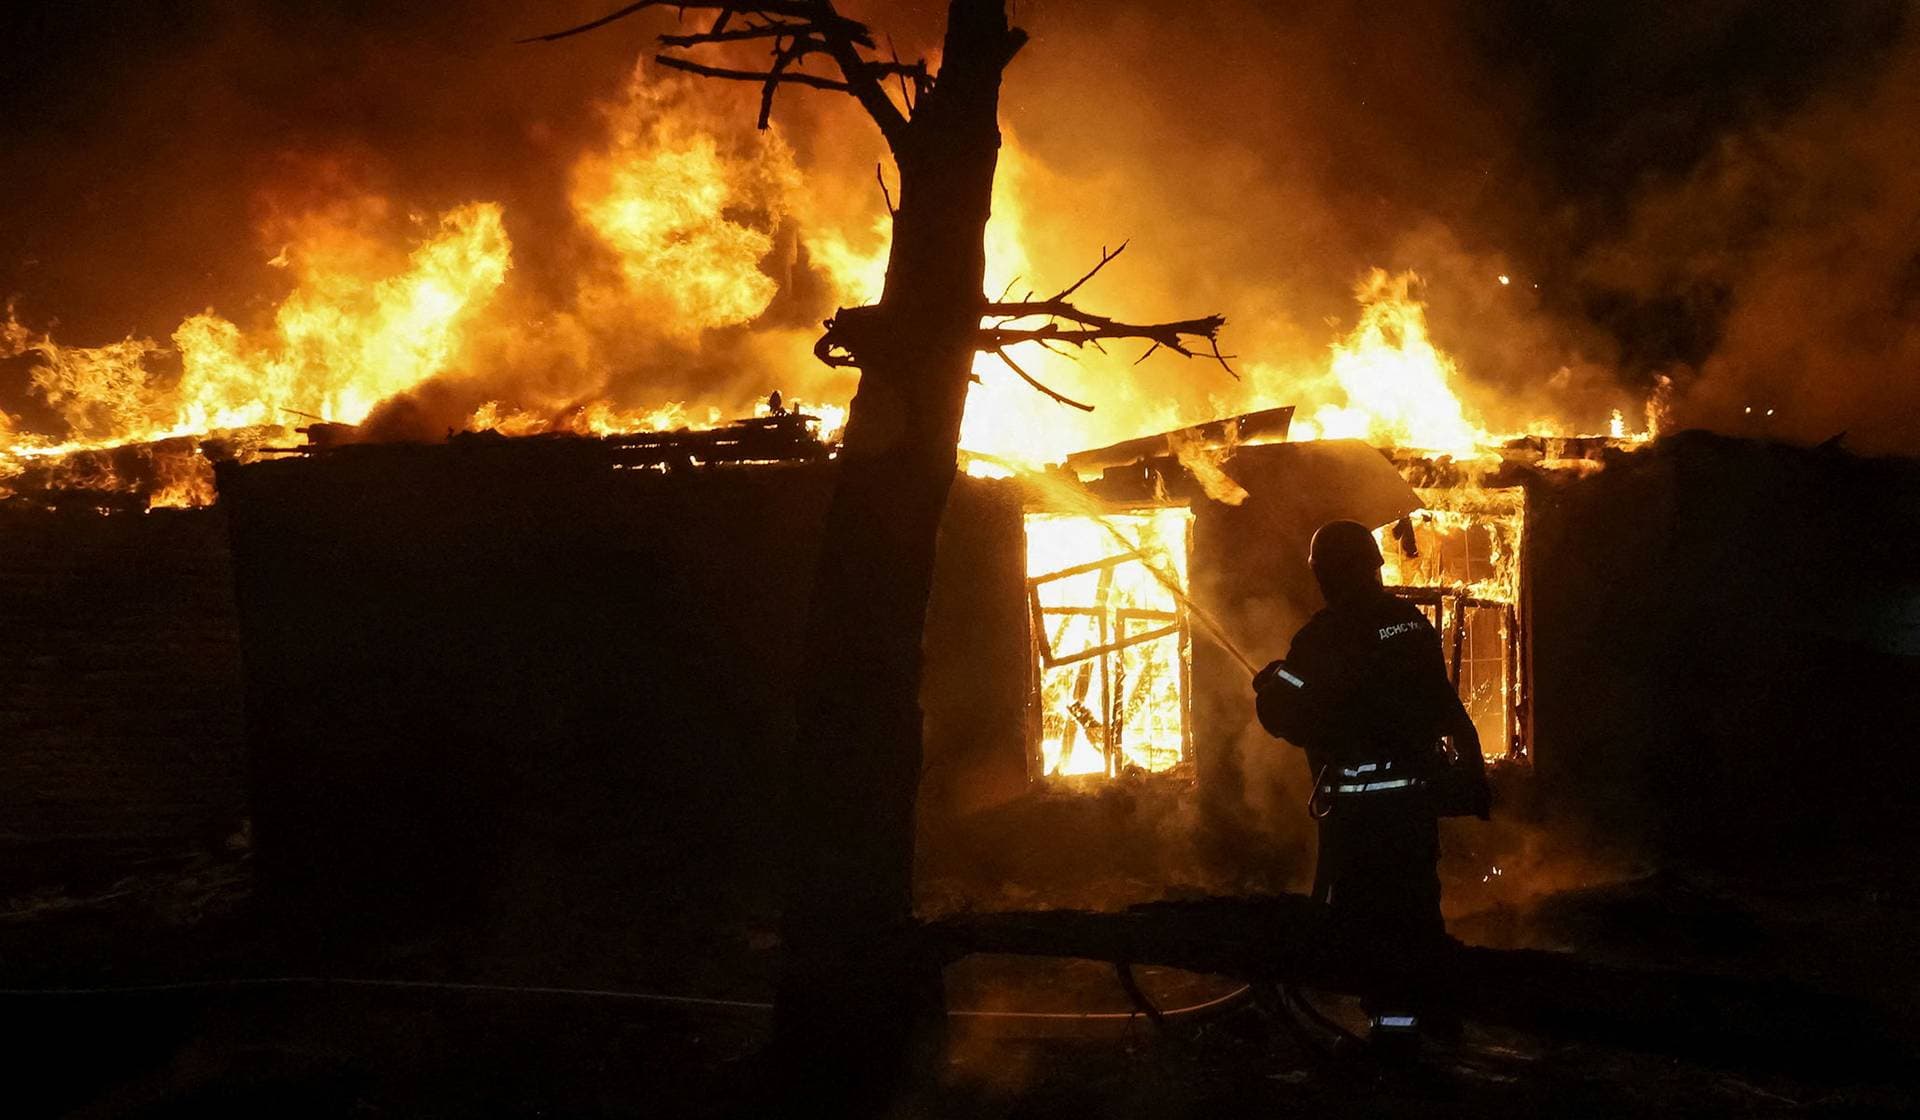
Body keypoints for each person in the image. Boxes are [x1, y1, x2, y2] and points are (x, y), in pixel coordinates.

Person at [1252, 519, 1490, 1054]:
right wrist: (1472, 774)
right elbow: (1443, 704)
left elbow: (1293, 716)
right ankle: (1439, 1016)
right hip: (1412, 805)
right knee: (1417, 910)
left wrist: (1272, 684)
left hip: (1359, 816)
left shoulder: (1322, 636)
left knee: (1370, 922)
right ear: (1374, 566)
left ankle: (1394, 1035)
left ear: (1325, 574)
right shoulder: (1408, 624)